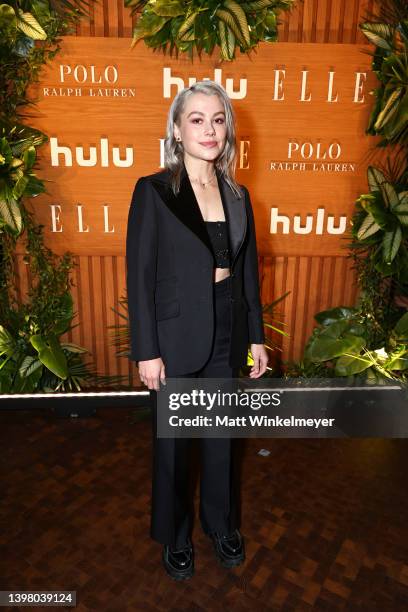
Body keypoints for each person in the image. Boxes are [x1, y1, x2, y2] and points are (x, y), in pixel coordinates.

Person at [126, 80, 268, 581]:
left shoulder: (237, 193)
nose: (209, 129)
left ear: (227, 129)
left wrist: (255, 335)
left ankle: (221, 524)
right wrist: (147, 350)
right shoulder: (155, 190)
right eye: (196, 119)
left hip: (229, 324)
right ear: (177, 130)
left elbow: (248, 270)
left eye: (218, 119)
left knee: (221, 437)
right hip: (176, 333)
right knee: (175, 444)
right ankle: (177, 533)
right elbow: (139, 276)